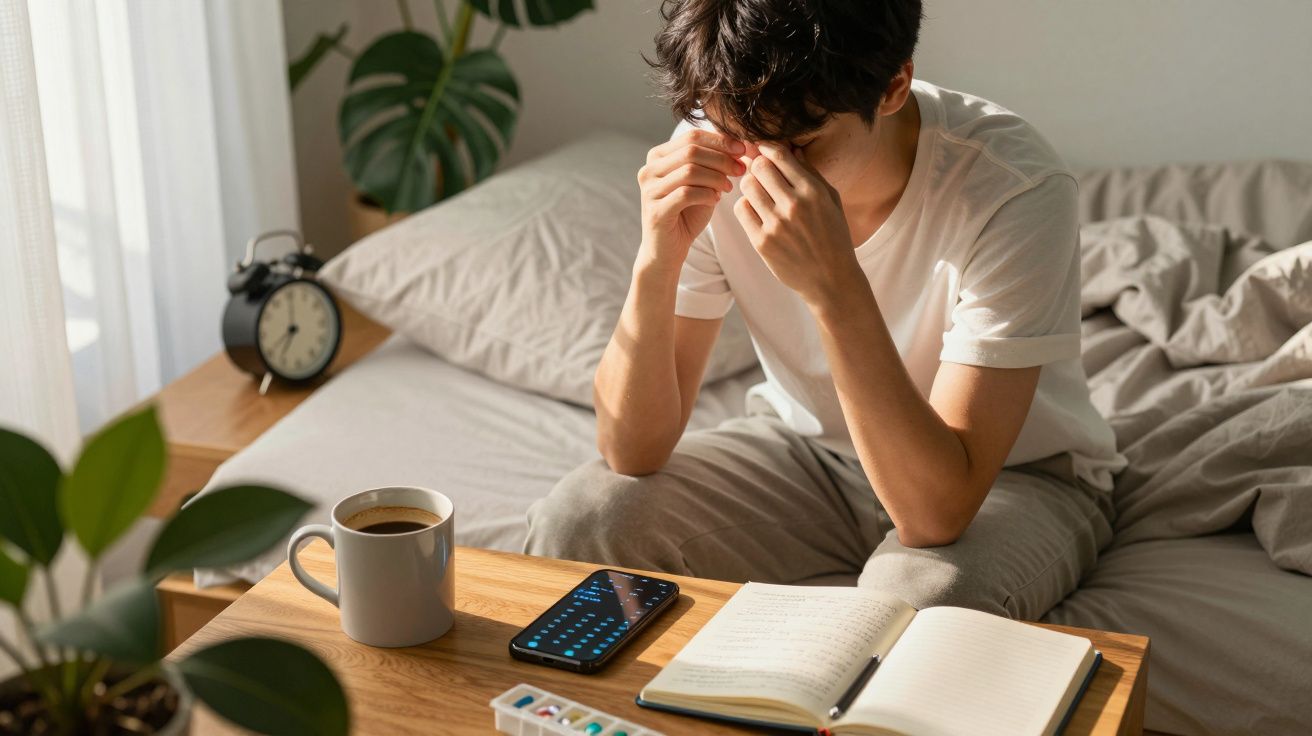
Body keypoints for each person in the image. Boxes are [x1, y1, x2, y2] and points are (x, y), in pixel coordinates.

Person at [524, 0, 1125, 619]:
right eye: (737, 136)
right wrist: (656, 258)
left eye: (801, 143)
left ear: (893, 85)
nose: (764, 167)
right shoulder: (715, 149)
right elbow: (631, 451)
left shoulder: (1013, 187)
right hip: (810, 455)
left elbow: (935, 514)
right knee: (580, 521)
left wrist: (834, 284)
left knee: (919, 607)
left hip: (1011, 478)